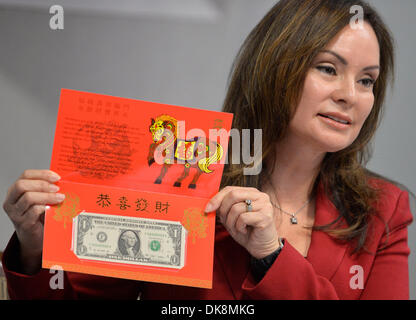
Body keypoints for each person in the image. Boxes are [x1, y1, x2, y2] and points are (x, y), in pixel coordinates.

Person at [2, 0, 414, 299]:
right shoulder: (180, 169)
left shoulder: (385, 211)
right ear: (275, 68)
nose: (350, 95)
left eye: (367, 81)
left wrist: (272, 256)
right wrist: (35, 246)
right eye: (328, 68)